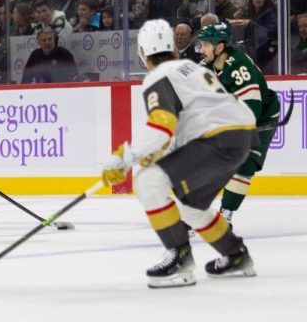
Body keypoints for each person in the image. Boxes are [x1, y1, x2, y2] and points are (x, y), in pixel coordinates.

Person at [101, 19, 257, 288]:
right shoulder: (191, 68)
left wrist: (128, 157)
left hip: (215, 140)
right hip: (241, 137)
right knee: (191, 207)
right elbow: (184, 125)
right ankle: (236, 256)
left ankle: (180, 259)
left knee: (147, 181)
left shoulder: (158, 76)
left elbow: (162, 127)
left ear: (142, 54)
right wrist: (154, 153)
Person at [196, 22, 280, 224]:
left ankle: (226, 213)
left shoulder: (238, 66)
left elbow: (251, 110)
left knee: (245, 163)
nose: (201, 49)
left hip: (261, 116)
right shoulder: (207, 65)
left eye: (206, 44)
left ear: (220, 47)